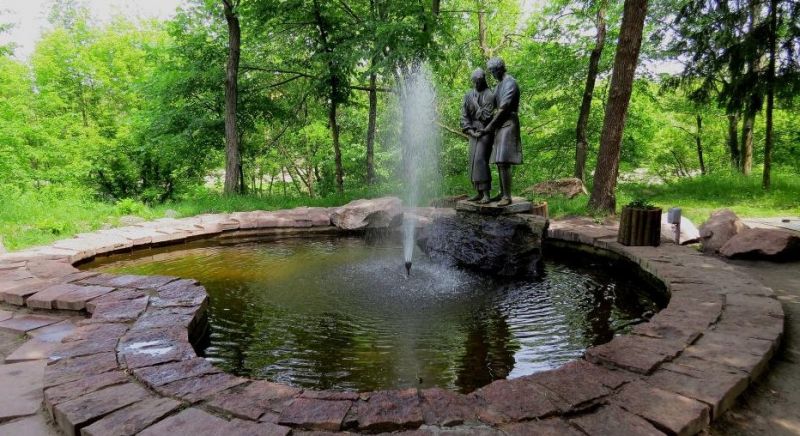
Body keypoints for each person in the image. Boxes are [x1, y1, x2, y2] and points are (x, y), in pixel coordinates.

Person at [481, 57, 522, 207]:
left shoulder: (510, 83)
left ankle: (507, 196)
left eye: (493, 71)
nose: (492, 74)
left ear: (499, 69)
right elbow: (493, 106)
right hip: (500, 125)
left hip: (508, 123)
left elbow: (504, 108)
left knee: (504, 160)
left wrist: (490, 126)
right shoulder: (498, 86)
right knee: (499, 161)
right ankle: (503, 192)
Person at [460, 68, 496, 204]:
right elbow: (464, 115)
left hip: (485, 131)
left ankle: (486, 193)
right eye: (474, 82)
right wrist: (469, 130)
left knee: (480, 160)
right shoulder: (468, 94)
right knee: (472, 161)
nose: (475, 85)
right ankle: (479, 192)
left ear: (483, 80)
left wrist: (475, 104)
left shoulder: (489, 95)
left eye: (478, 82)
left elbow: (486, 116)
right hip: (473, 132)